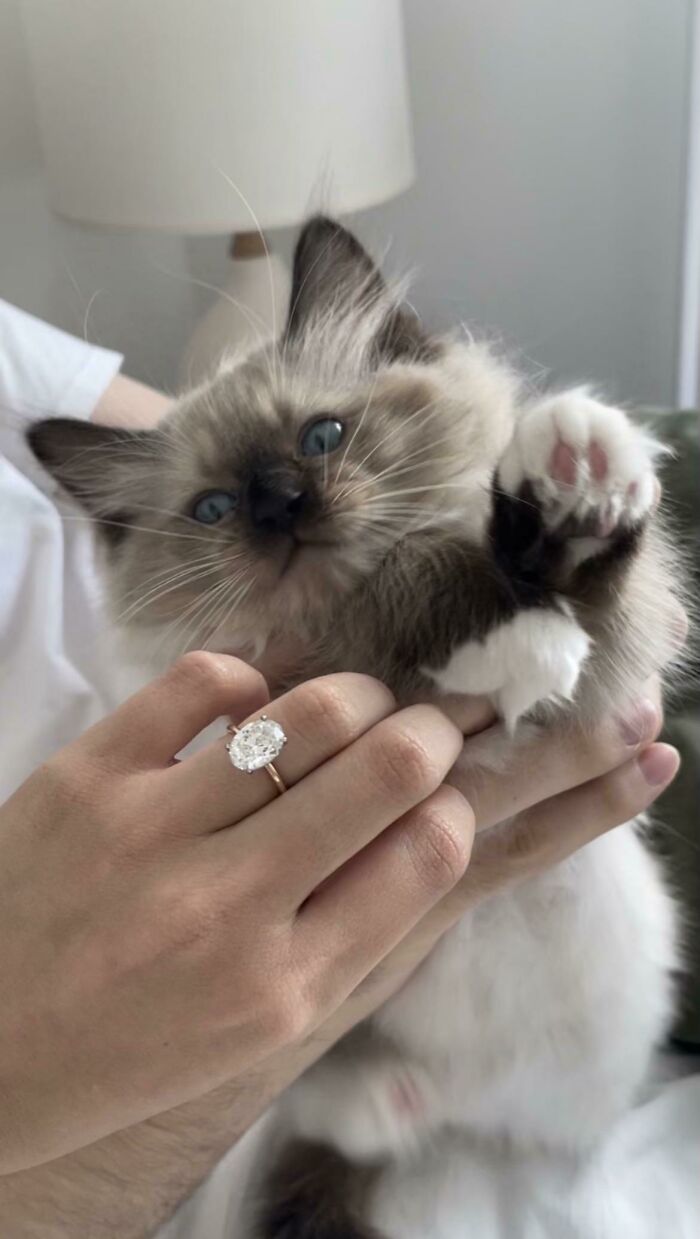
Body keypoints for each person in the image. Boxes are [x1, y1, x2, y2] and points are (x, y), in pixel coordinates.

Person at [0, 300, 679, 1237]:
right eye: (212, 507)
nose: (279, 501)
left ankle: (569, 546)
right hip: (353, 1071)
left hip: (571, 1048)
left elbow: (610, 673)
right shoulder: (203, 697)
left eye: (323, 434)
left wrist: (562, 566)